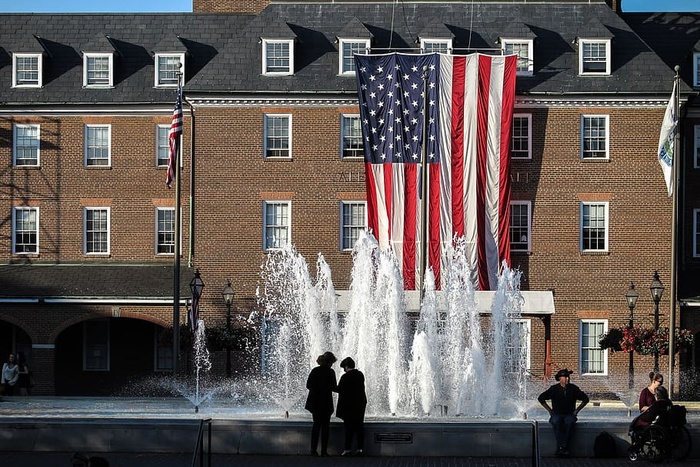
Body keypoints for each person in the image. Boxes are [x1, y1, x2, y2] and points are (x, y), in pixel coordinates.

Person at [538, 368, 589, 457]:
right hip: (557, 414)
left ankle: (561, 448)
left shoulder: (573, 388)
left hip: (569, 414)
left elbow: (585, 399)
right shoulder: (554, 389)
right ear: (559, 379)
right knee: (556, 421)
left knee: (569, 422)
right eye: (565, 377)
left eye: (568, 377)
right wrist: (550, 411)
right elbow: (541, 398)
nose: (567, 379)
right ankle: (563, 448)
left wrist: (576, 411)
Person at [305, 351, 338, 456]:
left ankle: (313, 450)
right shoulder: (330, 372)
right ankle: (324, 451)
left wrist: (316, 390)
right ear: (330, 362)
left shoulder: (315, 370)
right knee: (325, 428)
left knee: (316, 426)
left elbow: (308, 385)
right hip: (326, 403)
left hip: (315, 403)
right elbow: (333, 387)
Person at [335, 357, 367, 457]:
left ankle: (347, 449)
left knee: (349, 428)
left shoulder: (345, 377)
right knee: (359, 427)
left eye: (343, 367)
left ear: (346, 366)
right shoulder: (360, 374)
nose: (343, 370)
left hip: (349, 405)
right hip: (360, 404)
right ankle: (360, 449)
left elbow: (339, 389)